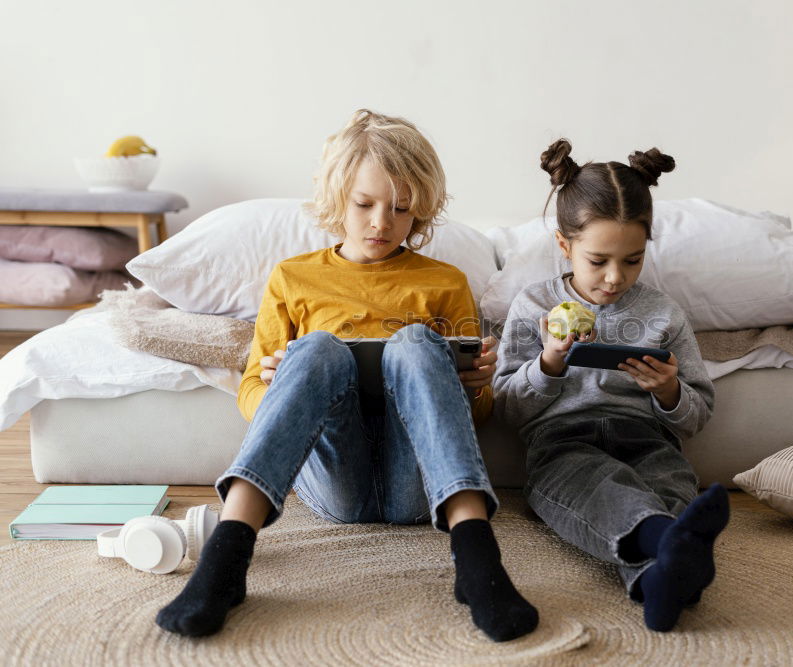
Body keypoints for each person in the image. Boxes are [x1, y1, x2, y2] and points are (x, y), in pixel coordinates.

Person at [156, 109, 538, 641]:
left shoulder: (444, 282)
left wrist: (474, 386)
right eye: (365, 204)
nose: (381, 223)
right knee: (316, 349)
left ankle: (477, 561)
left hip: (418, 485)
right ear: (338, 200)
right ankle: (225, 560)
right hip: (336, 479)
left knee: (415, 343)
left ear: (420, 213)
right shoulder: (293, 277)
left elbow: (476, 414)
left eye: (401, 209)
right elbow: (247, 392)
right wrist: (272, 381)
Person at [493, 138, 729, 632]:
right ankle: (671, 549)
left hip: (648, 437)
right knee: (598, 488)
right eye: (598, 260)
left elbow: (699, 412)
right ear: (565, 245)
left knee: (669, 482)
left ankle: (658, 576)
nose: (614, 278)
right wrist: (550, 362)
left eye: (633, 260)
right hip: (564, 441)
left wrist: (668, 392)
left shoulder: (662, 312)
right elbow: (508, 409)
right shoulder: (534, 306)